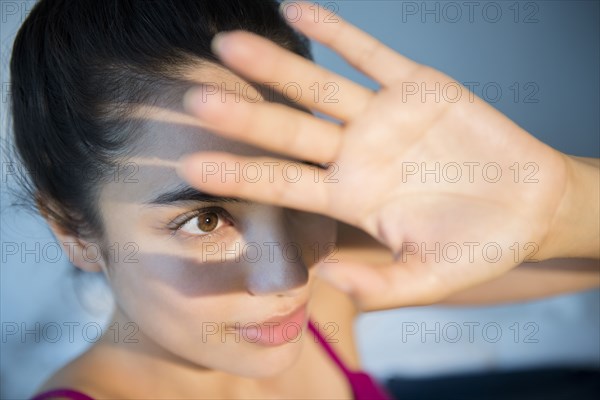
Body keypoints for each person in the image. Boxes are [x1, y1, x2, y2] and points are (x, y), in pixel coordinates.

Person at [9, 0, 597, 399]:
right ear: (73, 230)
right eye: (205, 219)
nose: (289, 276)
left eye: (297, 187)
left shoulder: (333, 284)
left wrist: (562, 203)